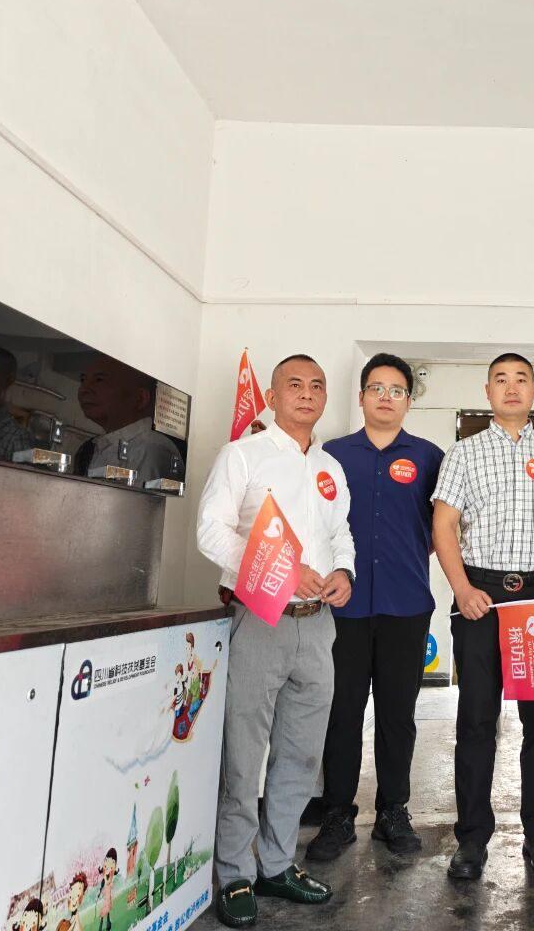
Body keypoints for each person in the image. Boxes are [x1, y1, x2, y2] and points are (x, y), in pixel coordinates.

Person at [196, 354, 355, 928]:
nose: (307, 394)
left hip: (319, 624)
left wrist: (345, 573)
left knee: (300, 753)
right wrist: (281, 570)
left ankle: (277, 864)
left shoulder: (330, 467)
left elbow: (340, 533)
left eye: (317, 385)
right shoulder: (243, 454)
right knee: (244, 753)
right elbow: (211, 531)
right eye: (295, 384)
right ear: (271, 394)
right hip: (260, 618)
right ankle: (235, 872)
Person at [431, 352, 534, 880]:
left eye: (522, 380)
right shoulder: (465, 453)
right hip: (482, 596)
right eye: (501, 379)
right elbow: (444, 525)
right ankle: (472, 839)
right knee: (476, 720)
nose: (512, 387)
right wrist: (462, 589)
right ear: (488, 391)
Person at [307, 353, 444, 861]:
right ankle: (337, 814)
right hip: (341, 606)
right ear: (362, 396)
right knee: (341, 712)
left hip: (406, 604)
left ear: (409, 400)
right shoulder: (330, 455)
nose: (386, 398)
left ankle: (393, 810)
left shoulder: (430, 457)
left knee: (397, 714)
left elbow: (444, 529)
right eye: (377, 389)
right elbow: (312, 523)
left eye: (397, 390)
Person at [75, 355, 184, 483]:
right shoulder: (90, 448)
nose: (83, 390)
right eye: (83, 380)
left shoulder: (152, 448)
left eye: (99, 380)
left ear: (140, 398)